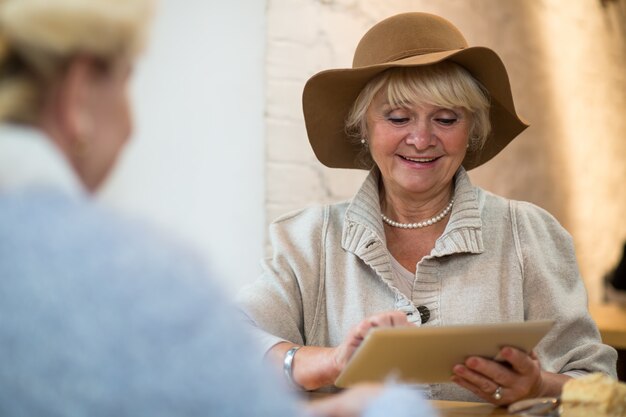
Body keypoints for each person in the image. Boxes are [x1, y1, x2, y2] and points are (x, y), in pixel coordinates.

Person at [0, 1, 435, 416]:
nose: (421, 138)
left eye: (446, 118)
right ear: (77, 95)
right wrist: (386, 398)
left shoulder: (508, 228)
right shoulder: (140, 272)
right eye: (126, 82)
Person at [237, 12, 618, 405]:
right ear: (363, 128)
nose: (421, 139)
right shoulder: (309, 240)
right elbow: (229, 342)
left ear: (472, 129)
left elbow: (597, 384)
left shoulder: (529, 233)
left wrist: (540, 387)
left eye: (446, 118)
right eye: (398, 117)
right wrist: (328, 362)